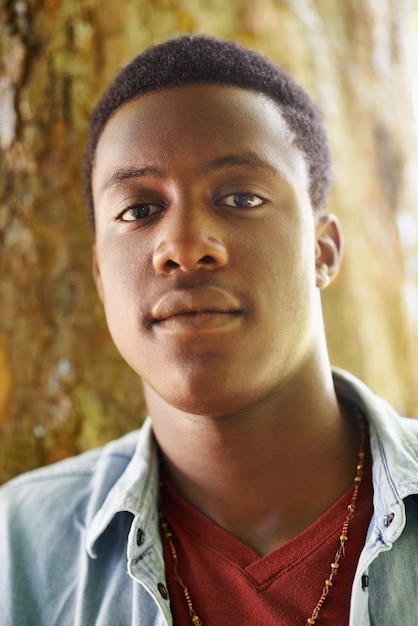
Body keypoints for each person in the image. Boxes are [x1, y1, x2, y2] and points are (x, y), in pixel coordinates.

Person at [1, 35, 417, 626]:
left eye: (240, 197)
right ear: (100, 276)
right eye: (139, 210)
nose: (185, 247)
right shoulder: (16, 551)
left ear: (322, 251)